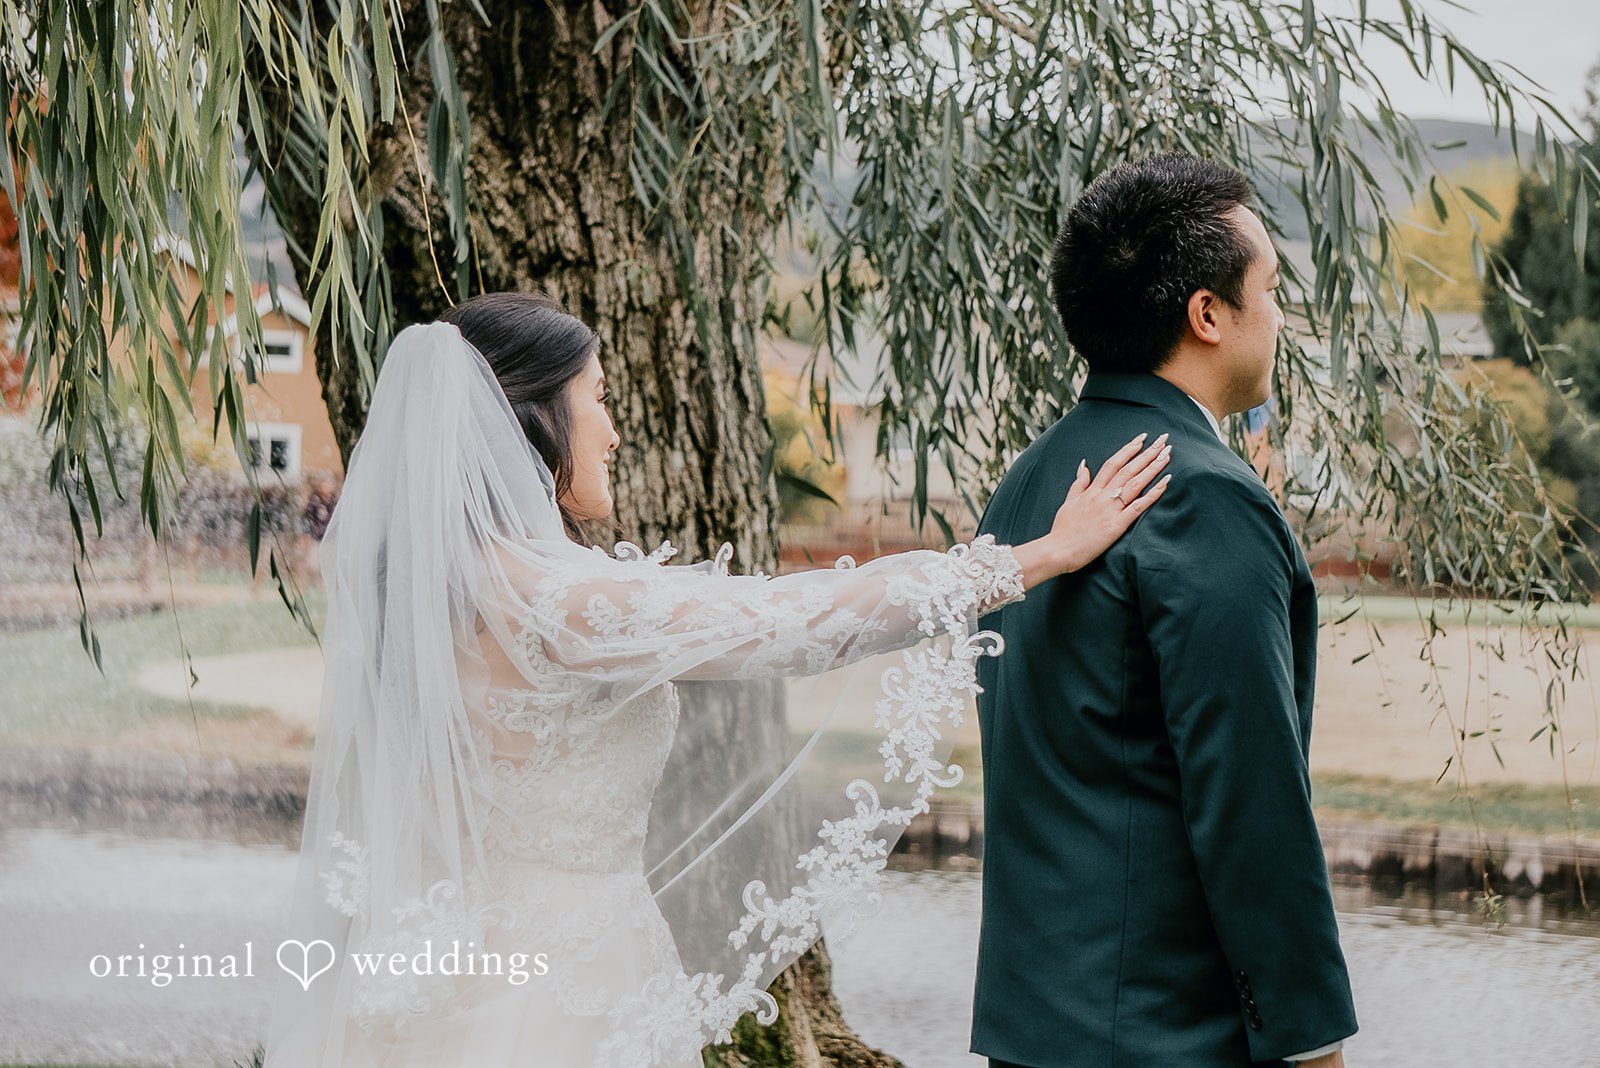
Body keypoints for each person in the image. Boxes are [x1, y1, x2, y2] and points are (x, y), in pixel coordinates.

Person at [262, 292, 1169, 1066]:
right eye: (598, 402)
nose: (613, 432)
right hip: (567, 989)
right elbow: (792, 624)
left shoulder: (430, 595)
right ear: (531, 419)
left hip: (450, 968)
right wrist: (1038, 556)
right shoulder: (551, 597)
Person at [972, 153, 1359, 1067]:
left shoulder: (1026, 486)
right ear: (1208, 313)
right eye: (1270, 289)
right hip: (1164, 1033)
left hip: (1036, 1024)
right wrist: (1311, 1039)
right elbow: (1248, 794)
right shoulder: (1200, 497)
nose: (1281, 317)